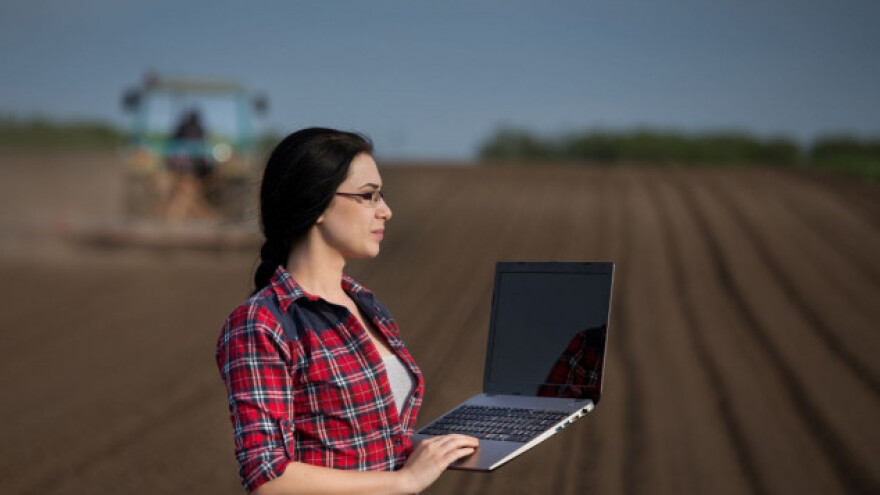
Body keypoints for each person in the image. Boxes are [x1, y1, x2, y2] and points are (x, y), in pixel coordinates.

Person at [216, 128, 479, 494]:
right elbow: (268, 477)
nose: (386, 211)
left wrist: (434, 450)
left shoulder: (366, 304)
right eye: (368, 196)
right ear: (318, 202)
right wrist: (403, 480)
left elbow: (366, 441)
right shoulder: (261, 323)